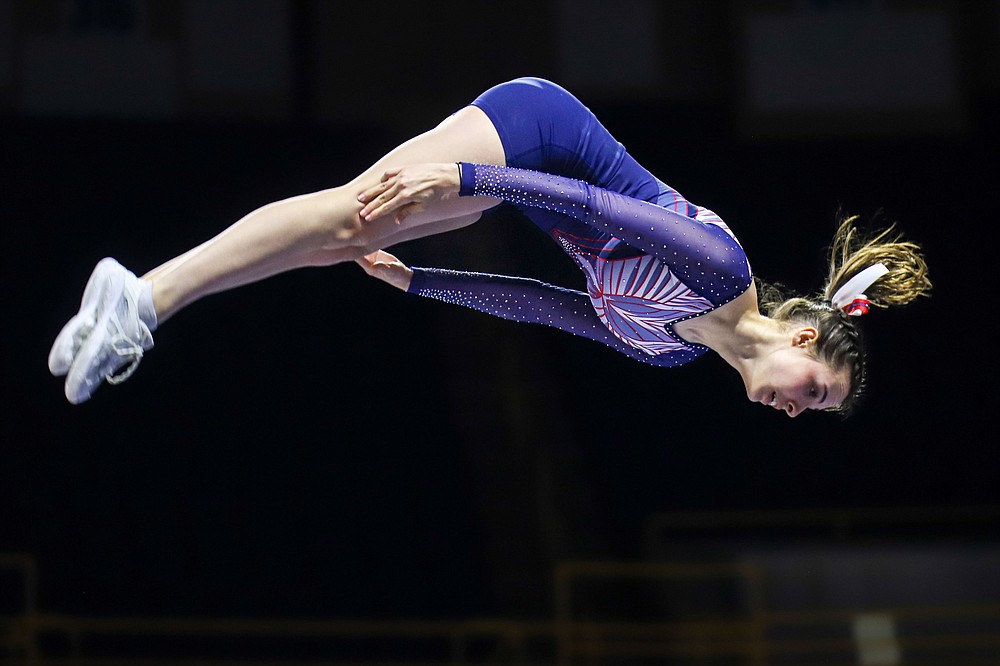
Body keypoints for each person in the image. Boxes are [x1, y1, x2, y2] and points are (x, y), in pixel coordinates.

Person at [48, 77, 930, 415]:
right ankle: (145, 299)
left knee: (346, 247)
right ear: (803, 337)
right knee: (357, 214)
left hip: (521, 189)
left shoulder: (665, 350)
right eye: (815, 392)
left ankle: (139, 304)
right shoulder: (720, 270)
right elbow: (593, 202)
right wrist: (468, 185)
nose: (799, 409)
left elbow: (549, 308)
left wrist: (425, 283)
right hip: (539, 131)